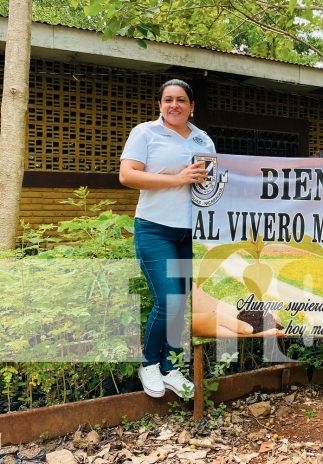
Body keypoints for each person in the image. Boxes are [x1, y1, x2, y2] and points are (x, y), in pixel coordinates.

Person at [119, 79, 215, 399]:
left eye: (181, 100)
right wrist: (177, 179)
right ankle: (148, 364)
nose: (174, 105)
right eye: (168, 99)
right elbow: (127, 175)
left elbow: (211, 185)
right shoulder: (145, 133)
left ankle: (170, 367)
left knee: (181, 303)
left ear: (192, 105)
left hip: (190, 234)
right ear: (159, 104)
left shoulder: (203, 139)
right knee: (169, 300)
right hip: (154, 228)